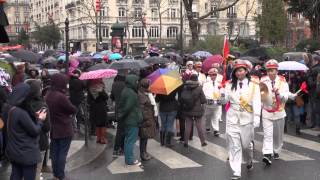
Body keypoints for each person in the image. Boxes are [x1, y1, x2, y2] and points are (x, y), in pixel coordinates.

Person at [223, 59, 261, 180]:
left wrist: (257, 117)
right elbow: (224, 101)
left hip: (247, 118)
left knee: (246, 146)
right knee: (235, 146)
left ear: (246, 71)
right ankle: (236, 171)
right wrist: (222, 94)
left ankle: (249, 160)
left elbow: (257, 102)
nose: (239, 73)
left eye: (241, 70)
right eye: (236, 71)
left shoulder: (254, 85)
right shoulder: (229, 85)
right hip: (232, 118)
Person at [2, 83, 47, 180]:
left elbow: (18, 126)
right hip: (26, 153)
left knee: (16, 175)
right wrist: (40, 120)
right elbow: (35, 131)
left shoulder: (9, 108)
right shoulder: (21, 112)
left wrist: (35, 116)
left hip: (14, 151)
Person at [260, 59, 296, 166]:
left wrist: (278, 94)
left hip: (279, 112)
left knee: (278, 135)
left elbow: (285, 98)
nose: (271, 72)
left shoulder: (283, 81)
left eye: (273, 70)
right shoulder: (262, 81)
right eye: (269, 70)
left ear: (277, 71)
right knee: (267, 135)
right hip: (267, 112)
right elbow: (259, 95)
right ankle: (267, 153)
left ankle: (276, 150)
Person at [45, 73, 77, 180]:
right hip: (64, 128)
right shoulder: (61, 97)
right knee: (62, 153)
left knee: (55, 153)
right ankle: (60, 175)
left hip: (54, 128)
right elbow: (73, 109)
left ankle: (55, 175)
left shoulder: (48, 95)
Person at [25, 79, 51, 180]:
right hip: (39, 142)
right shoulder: (42, 105)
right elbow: (47, 127)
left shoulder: (19, 104)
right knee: (36, 172)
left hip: (23, 143)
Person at [118, 74, 143, 166]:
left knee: (128, 140)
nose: (137, 83)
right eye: (136, 81)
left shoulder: (126, 90)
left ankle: (128, 159)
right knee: (130, 141)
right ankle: (129, 160)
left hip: (128, 120)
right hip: (132, 120)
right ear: (132, 81)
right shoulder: (131, 93)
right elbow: (127, 108)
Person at [180, 74, 207, 147]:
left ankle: (185, 142)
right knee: (199, 126)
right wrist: (203, 110)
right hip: (197, 110)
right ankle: (203, 142)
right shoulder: (199, 88)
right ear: (196, 79)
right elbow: (203, 100)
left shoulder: (185, 87)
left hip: (187, 109)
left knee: (188, 126)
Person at [138, 78, 157, 161]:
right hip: (145, 120)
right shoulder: (141, 95)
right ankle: (143, 154)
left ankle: (144, 153)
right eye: (149, 85)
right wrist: (146, 119)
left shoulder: (146, 93)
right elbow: (143, 109)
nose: (151, 86)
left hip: (148, 118)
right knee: (143, 137)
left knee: (145, 137)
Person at [202, 68, 223, 136]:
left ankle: (216, 130)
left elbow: (222, 92)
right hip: (208, 103)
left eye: (215, 75)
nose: (214, 76)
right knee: (207, 116)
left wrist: (222, 98)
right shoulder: (206, 84)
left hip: (217, 103)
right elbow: (204, 93)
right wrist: (207, 100)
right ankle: (207, 127)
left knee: (215, 116)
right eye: (212, 75)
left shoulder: (219, 84)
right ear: (210, 75)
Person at [87, 79, 108, 144]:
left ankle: (98, 138)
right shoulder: (100, 89)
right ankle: (102, 139)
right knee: (103, 124)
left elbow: (89, 101)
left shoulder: (90, 89)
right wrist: (102, 91)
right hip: (101, 108)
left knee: (97, 124)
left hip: (94, 109)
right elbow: (106, 97)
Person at [111, 75, 126, 156]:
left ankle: (116, 149)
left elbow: (112, 96)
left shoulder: (114, 84)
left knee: (119, 130)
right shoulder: (125, 85)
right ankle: (121, 149)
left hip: (118, 110)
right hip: (124, 110)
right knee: (123, 131)